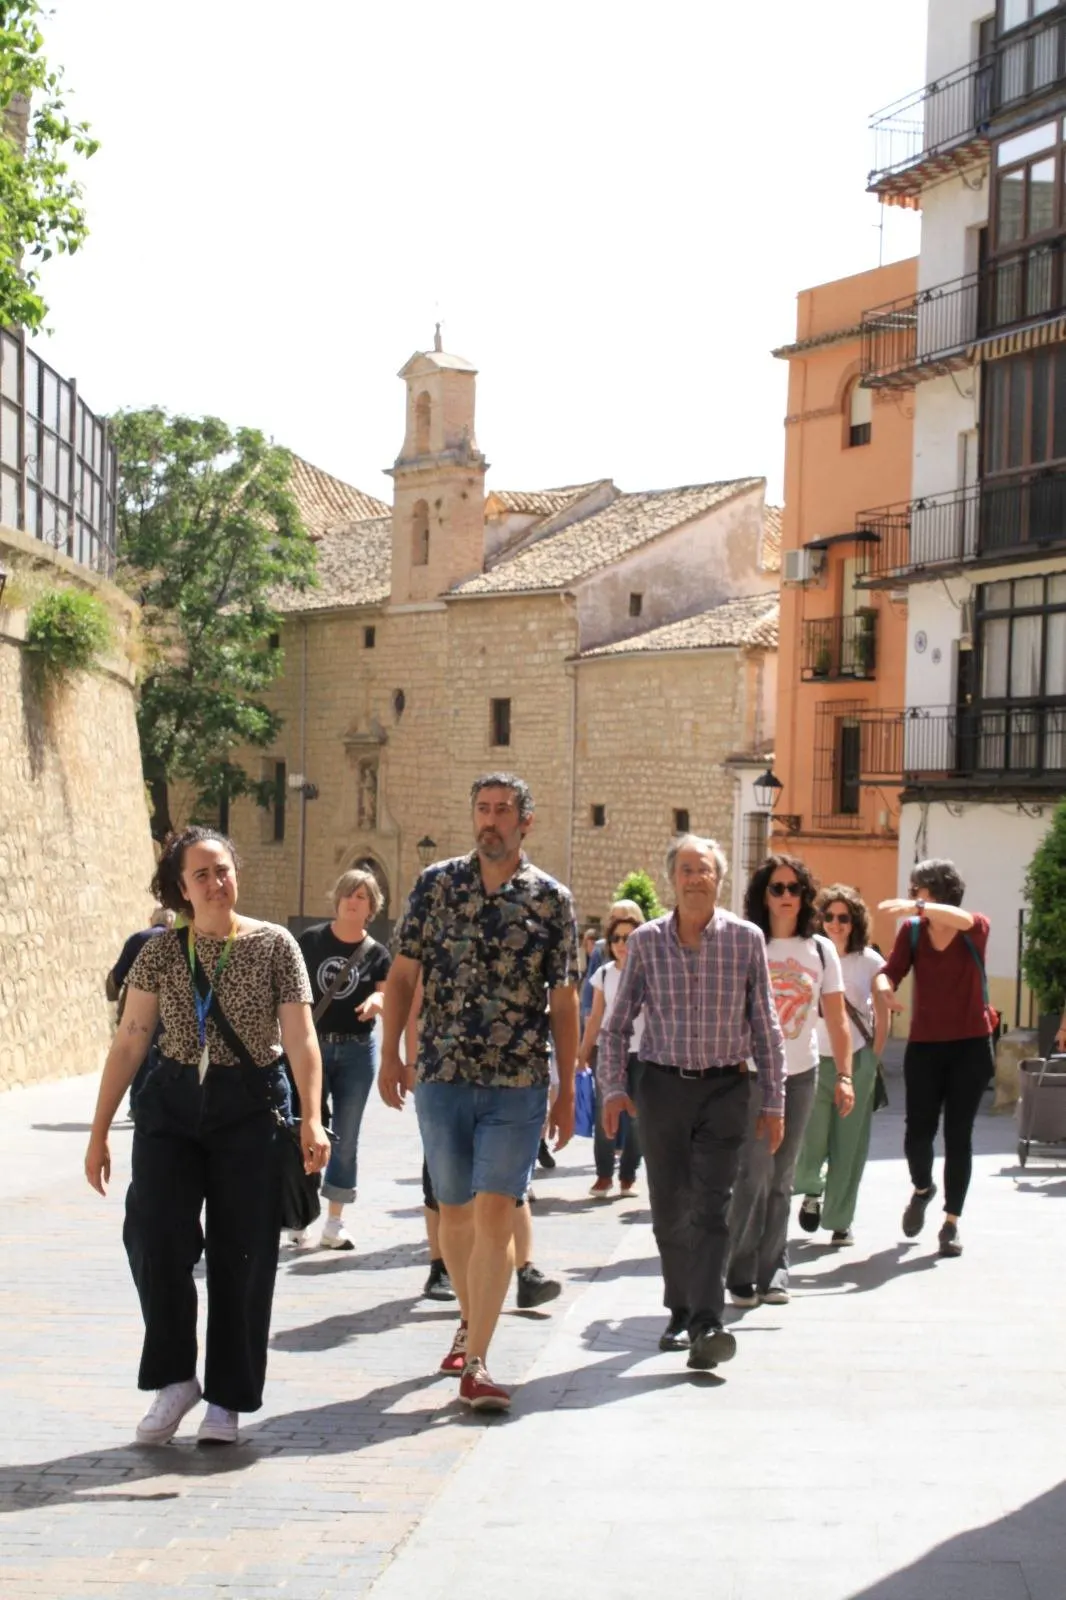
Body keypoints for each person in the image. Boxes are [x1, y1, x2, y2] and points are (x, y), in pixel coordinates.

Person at [83, 826, 330, 1448]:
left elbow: (300, 1038)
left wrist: (311, 1115)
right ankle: (174, 1379)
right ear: (181, 889)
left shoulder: (275, 945)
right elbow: (132, 1039)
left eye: (223, 869)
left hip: (248, 1106)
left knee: (242, 1252)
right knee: (153, 1232)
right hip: (171, 1105)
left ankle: (227, 1397)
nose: (217, 883)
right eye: (202, 875)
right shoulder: (161, 952)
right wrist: (98, 1131)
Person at [379, 772, 579, 1413]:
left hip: (517, 1081)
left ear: (526, 822)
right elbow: (404, 973)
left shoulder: (551, 900)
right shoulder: (436, 885)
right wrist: (390, 1054)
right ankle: (472, 1319)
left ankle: (481, 1360)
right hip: (441, 1076)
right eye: (483, 809)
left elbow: (565, 999)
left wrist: (568, 1088)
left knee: (496, 1214)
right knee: (457, 1215)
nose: (490, 820)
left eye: (503, 810)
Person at [598, 834, 786, 1372]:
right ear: (671, 879)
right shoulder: (648, 943)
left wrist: (773, 1101)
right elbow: (616, 1027)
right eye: (685, 869)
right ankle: (678, 1311)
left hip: (726, 1089)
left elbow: (765, 1026)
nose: (695, 878)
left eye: (703, 869)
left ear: (719, 879)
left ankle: (707, 1321)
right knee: (670, 1209)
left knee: (713, 1208)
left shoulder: (746, 939)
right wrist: (614, 1089)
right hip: (663, 1087)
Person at [727, 855, 854, 1309]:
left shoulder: (820, 950)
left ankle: (773, 1270)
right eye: (777, 888)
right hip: (755, 1076)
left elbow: (836, 1019)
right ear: (763, 894)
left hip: (802, 1075)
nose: (786, 896)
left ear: (806, 896)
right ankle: (739, 1269)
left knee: (784, 1177)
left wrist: (844, 1075)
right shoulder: (747, 944)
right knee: (754, 1173)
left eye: (794, 888)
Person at [874, 859, 995, 1259]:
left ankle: (951, 1224)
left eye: (918, 890)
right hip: (925, 1047)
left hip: (971, 1047)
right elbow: (890, 972)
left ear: (938, 892)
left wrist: (917, 909)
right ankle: (923, 1189)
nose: (912, 899)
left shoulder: (973, 926)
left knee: (959, 1136)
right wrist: (883, 988)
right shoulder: (912, 932)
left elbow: (958, 918)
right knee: (916, 1135)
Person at [297, 869, 391, 1250]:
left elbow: (386, 994)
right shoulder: (312, 941)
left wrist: (376, 1002)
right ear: (337, 899)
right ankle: (299, 1214)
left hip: (356, 1050)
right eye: (349, 894)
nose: (354, 902)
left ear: (371, 908)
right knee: (305, 1129)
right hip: (313, 1047)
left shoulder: (377, 953)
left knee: (346, 1137)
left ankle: (335, 1222)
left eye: (362, 897)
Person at [793, 884, 887, 1245]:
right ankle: (812, 1191)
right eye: (829, 916)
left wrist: (872, 1059)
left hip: (857, 1061)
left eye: (843, 918)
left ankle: (840, 1220)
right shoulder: (811, 953)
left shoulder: (870, 961)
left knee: (849, 1145)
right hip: (814, 1060)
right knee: (810, 1137)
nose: (835, 923)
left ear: (855, 921)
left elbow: (881, 1010)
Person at [578, 905, 646, 1198]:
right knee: (605, 1112)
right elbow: (594, 1017)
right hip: (609, 1052)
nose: (621, 945)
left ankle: (628, 1175)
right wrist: (582, 1054)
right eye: (616, 939)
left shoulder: (649, 974)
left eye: (628, 938)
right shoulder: (603, 975)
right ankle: (604, 1175)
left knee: (638, 1116)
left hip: (644, 1054)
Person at [106, 907, 175, 1115]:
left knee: (138, 1053)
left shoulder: (137, 938)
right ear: (171, 923)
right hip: (168, 1007)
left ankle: (137, 1104)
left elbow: (119, 973)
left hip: (136, 1005)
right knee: (162, 1055)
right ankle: (152, 1103)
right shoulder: (176, 941)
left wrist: (113, 993)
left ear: (151, 920)